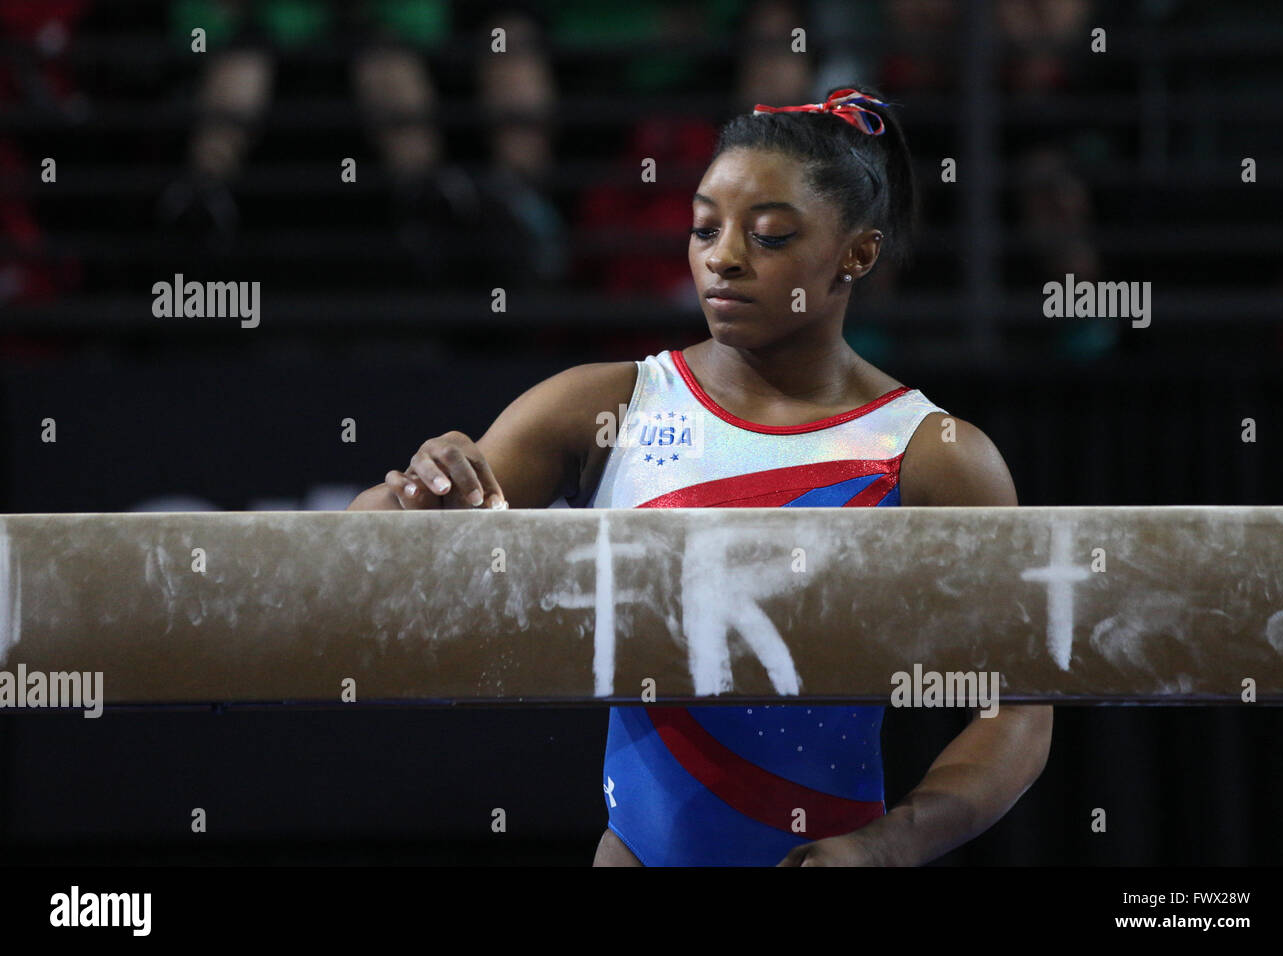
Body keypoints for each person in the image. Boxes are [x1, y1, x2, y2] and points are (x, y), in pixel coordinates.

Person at [347, 86, 1053, 866]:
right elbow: (361, 558)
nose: (723, 256)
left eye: (771, 235)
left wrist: (887, 848)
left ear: (858, 253)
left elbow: (1016, 711)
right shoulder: (604, 406)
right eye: (705, 228)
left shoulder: (930, 452)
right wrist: (421, 485)